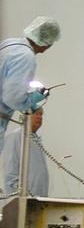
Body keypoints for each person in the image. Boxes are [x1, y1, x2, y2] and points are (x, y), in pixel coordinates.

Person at [0, 17, 61, 157]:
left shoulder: (9, 45)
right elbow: (13, 98)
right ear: (47, 43)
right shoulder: (26, 57)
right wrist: (33, 100)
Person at [1, 107, 50, 228]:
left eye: (42, 115)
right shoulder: (16, 138)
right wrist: (17, 197)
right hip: (21, 202)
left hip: (37, 204)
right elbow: (10, 170)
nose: (40, 118)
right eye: (37, 114)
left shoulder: (35, 140)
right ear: (26, 116)